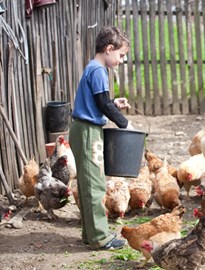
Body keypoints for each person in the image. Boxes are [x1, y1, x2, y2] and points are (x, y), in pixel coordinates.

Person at [69, 26, 134, 250]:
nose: (121, 60)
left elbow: (100, 102)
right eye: (121, 55)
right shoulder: (98, 70)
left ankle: (90, 234)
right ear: (108, 49)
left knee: (88, 184)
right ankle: (100, 237)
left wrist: (113, 104)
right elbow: (102, 103)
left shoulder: (93, 67)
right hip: (88, 131)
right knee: (95, 185)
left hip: (85, 128)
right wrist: (125, 123)